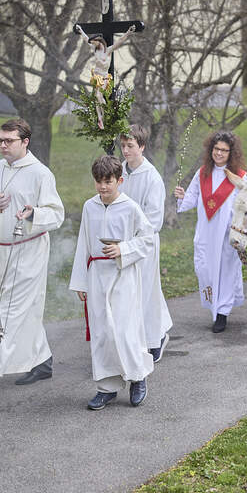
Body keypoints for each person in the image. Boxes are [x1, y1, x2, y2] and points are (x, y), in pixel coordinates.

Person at [0, 119, 65, 398]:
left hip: (28, 251)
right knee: (19, 309)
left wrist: (34, 214)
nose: (3, 145)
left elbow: (56, 214)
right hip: (1, 250)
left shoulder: (40, 173)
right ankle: (42, 361)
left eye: (9, 140)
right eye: (0, 140)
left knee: (8, 311)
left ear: (25, 142)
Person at [70, 155, 154, 410]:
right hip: (96, 275)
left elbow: (148, 239)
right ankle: (107, 387)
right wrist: (81, 282)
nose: (103, 187)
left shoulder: (130, 207)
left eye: (108, 182)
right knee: (102, 333)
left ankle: (137, 377)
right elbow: (83, 243)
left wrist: (123, 249)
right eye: (99, 181)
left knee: (124, 330)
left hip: (122, 276)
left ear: (120, 181)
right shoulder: (90, 207)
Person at [173, 131, 246, 332]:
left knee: (226, 271)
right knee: (204, 268)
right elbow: (191, 199)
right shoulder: (203, 173)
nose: (219, 153)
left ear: (231, 153)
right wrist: (182, 196)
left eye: (224, 150)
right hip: (206, 231)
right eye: (216, 149)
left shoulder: (240, 177)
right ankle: (213, 305)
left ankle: (222, 313)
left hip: (227, 233)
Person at [118, 124, 172, 362]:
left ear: (142, 146)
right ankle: (134, 338)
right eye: (123, 145)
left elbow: (154, 220)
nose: (125, 150)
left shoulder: (152, 177)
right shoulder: (119, 171)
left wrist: (134, 235)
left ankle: (154, 338)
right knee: (128, 292)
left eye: (130, 146)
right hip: (122, 243)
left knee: (146, 291)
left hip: (144, 243)